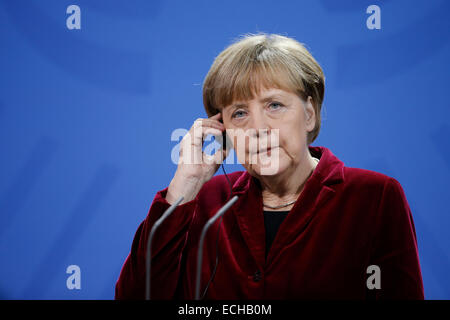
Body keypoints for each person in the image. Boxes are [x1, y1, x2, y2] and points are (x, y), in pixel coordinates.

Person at [115, 33, 424, 299]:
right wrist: (184, 187)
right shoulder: (204, 201)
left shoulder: (374, 196)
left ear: (309, 114)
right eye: (239, 114)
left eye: (274, 105)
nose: (258, 127)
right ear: (221, 130)